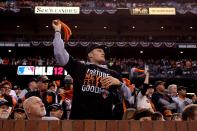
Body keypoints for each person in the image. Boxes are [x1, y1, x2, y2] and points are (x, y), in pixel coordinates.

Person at [52, 20, 131, 120]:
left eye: (103, 51)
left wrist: (119, 84)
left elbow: (129, 97)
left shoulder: (113, 73)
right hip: (80, 122)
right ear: (90, 55)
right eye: (99, 50)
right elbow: (59, 54)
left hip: (104, 123)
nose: (103, 53)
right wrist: (58, 31)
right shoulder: (80, 68)